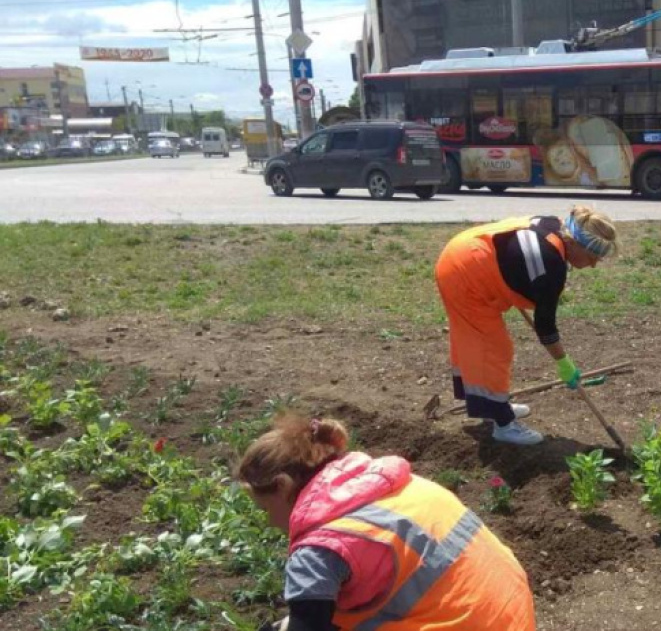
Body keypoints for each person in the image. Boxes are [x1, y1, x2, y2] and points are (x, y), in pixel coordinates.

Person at [237, 413, 536, 631]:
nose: (269, 523)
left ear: (283, 486)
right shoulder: (396, 486)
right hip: (511, 615)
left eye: (264, 509)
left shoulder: (317, 552)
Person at [434, 205, 618, 446]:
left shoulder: (554, 227)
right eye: (592, 257)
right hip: (464, 273)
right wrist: (564, 363)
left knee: (486, 346)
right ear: (574, 243)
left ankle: (493, 406)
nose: (593, 265)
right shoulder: (551, 265)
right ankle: (503, 424)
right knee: (492, 350)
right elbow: (545, 326)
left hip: (470, 250)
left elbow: (515, 253)